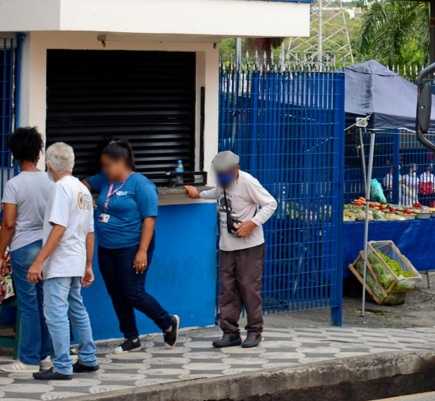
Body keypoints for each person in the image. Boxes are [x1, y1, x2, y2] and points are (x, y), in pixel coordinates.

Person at [87, 140, 179, 353]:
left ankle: (167, 322)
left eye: (109, 165)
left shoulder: (141, 184)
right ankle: (131, 337)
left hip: (132, 247)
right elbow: (83, 184)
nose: (105, 170)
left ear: (121, 162)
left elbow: (150, 219)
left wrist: (142, 251)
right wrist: (85, 198)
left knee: (133, 291)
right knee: (116, 293)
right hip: (107, 247)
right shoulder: (105, 180)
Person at [184, 151, 276, 349]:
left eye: (225, 173)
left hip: (250, 247)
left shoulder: (248, 182)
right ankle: (230, 332)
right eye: (219, 173)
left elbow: (271, 203)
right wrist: (197, 194)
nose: (222, 177)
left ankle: (254, 331)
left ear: (236, 169)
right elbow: (214, 194)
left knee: (250, 289)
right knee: (227, 290)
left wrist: (253, 222)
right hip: (227, 246)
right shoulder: (222, 184)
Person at [26, 142, 100, 380]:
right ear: (73, 163)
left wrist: (38, 261)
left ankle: (62, 365)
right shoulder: (83, 190)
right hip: (76, 259)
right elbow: (90, 232)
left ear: (48, 165)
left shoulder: (60, 188)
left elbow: (59, 228)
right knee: (77, 308)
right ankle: (88, 358)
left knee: (55, 313)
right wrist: (88, 264)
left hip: (60, 262)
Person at [0, 127, 55, 373]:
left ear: (15, 154)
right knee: (45, 303)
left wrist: (1, 253)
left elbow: (9, 224)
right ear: (38, 154)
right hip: (46, 249)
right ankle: (45, 355)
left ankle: (29, 357)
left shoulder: (14, 185)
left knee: (28, 305)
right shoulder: (51, 181)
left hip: (22, 249)